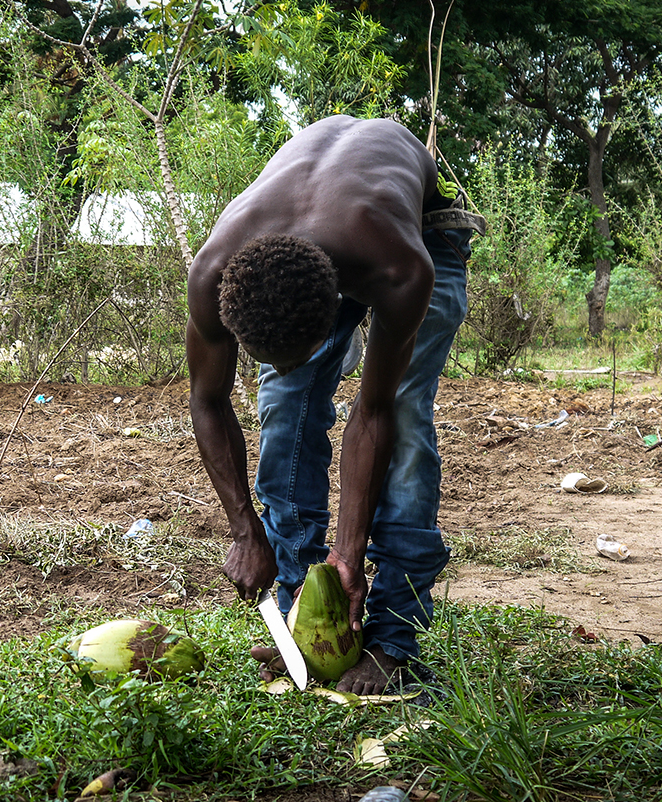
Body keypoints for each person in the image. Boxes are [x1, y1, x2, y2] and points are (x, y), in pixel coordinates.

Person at [185, 115, 484, 695]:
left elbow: (372, 415)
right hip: (318, 231)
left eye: (308, 351)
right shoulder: (215, 273)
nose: (292, 362)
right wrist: (246, 532)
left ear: (338, 323)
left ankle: (393, 638)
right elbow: (206, 399)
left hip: (423, 229)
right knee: (286, 395)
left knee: (404, 408)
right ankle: (309, 619)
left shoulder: (400, 268)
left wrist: (350, 552)